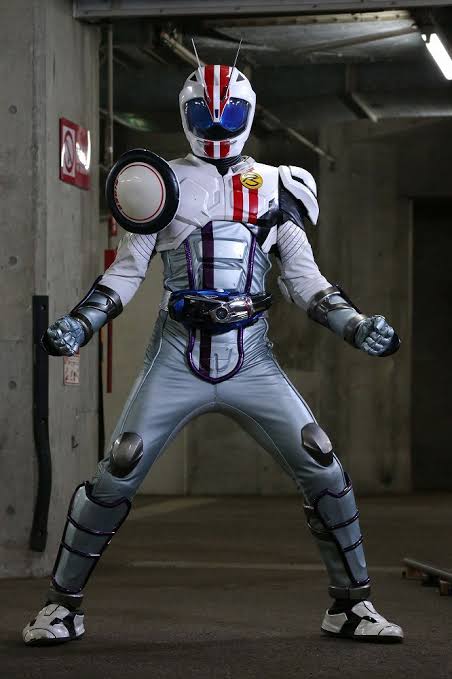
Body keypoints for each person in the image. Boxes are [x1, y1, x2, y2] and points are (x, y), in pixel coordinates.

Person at [23, 61, 402, 645]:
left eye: (228, 112)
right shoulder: (158, 183)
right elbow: (126, 272)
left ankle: (352, 605)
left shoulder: (279, 184)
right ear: (186, 113)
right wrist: (81, 322)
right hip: (178, 351)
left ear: (247, 113)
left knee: (321, 462)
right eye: (205, 111)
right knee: (119, 468)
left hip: (251, 355)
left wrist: (354, 325)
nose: (218, 123)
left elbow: (304, 279)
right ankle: (61, 606)